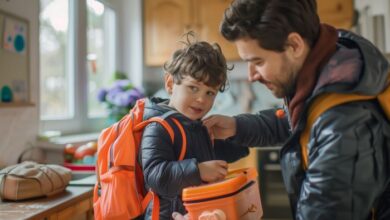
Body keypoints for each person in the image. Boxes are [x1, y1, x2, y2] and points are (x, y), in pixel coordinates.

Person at [173, 0, 390, 219]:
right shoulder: (331, 59)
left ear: (294, 45)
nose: (251, 75)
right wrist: (236, 126)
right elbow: (292, 122)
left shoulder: (343, 128)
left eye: (258, 61)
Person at [140, 33, 249, 219]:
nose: (201, 99)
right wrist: (199, 170)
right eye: (193, 88)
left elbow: (224, 151)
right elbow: (156, 176)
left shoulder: (196, 126)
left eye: (210, 93)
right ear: (170, 84)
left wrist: (237, 133)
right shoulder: (159, 126)